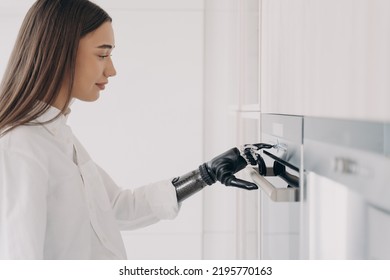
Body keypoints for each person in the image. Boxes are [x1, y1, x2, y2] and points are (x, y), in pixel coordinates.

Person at [0, 0, 260, 260]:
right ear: (59, 52)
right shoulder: (20, 147)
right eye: (102, 54)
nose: (111, 70)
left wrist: (205, 174)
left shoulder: (58, 135)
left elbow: (116, 207)